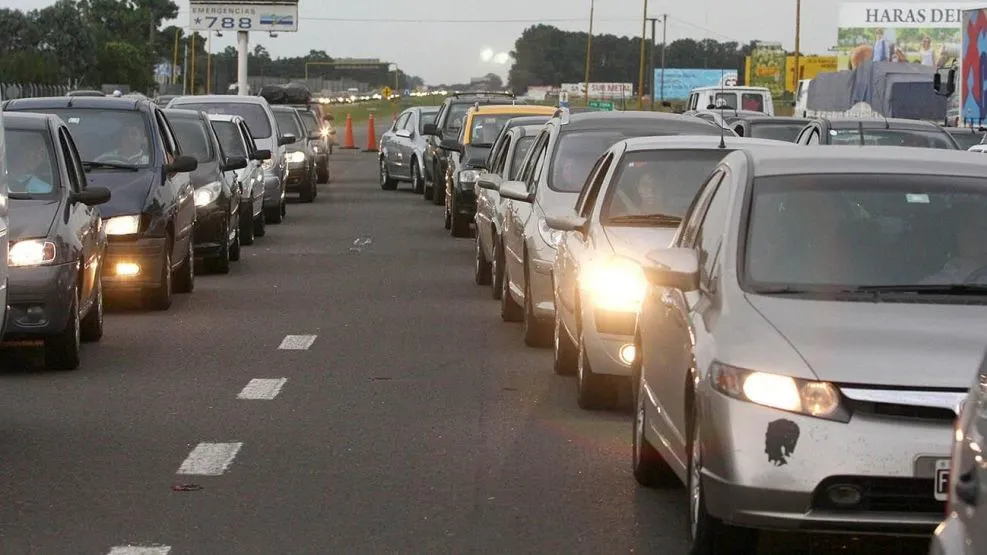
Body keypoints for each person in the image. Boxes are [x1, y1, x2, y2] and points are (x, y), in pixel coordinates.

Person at [922, 205, 987, 284]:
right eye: (971, 227)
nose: (978, 234)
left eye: (983, 229)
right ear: (956, 236)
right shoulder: (933, 284)